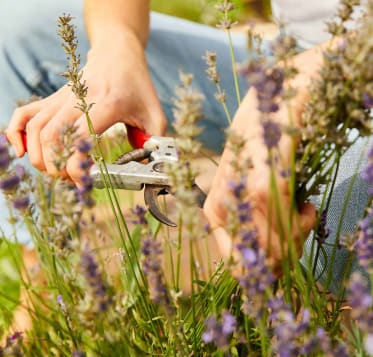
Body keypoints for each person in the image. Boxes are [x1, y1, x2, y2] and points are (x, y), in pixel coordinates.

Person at [0, 0, 368, 291]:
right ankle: (50, 280)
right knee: (14, 31)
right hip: (285, 55)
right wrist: (117, 44)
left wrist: (298, 85)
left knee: (327, 237)